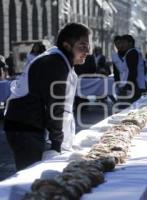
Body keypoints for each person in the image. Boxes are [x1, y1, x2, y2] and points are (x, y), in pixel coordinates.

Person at [4, 23, 91, 171]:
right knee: (30, 176)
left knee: (35, 176)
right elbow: (55, 106)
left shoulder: (61, 60)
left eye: (88, 46)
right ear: (67, 45)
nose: (87, 51)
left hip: (29, 126)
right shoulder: (55, 62)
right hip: (26, 128)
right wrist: (56, 143)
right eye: (82, 46)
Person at [121, 34, 146, 102]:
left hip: (133, 86)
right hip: (135, 85)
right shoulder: (133, 52)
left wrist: (129, 85)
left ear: (130, 43)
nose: (122, 45)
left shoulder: (132, 53)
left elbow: (132, 71)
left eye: (124, 42)